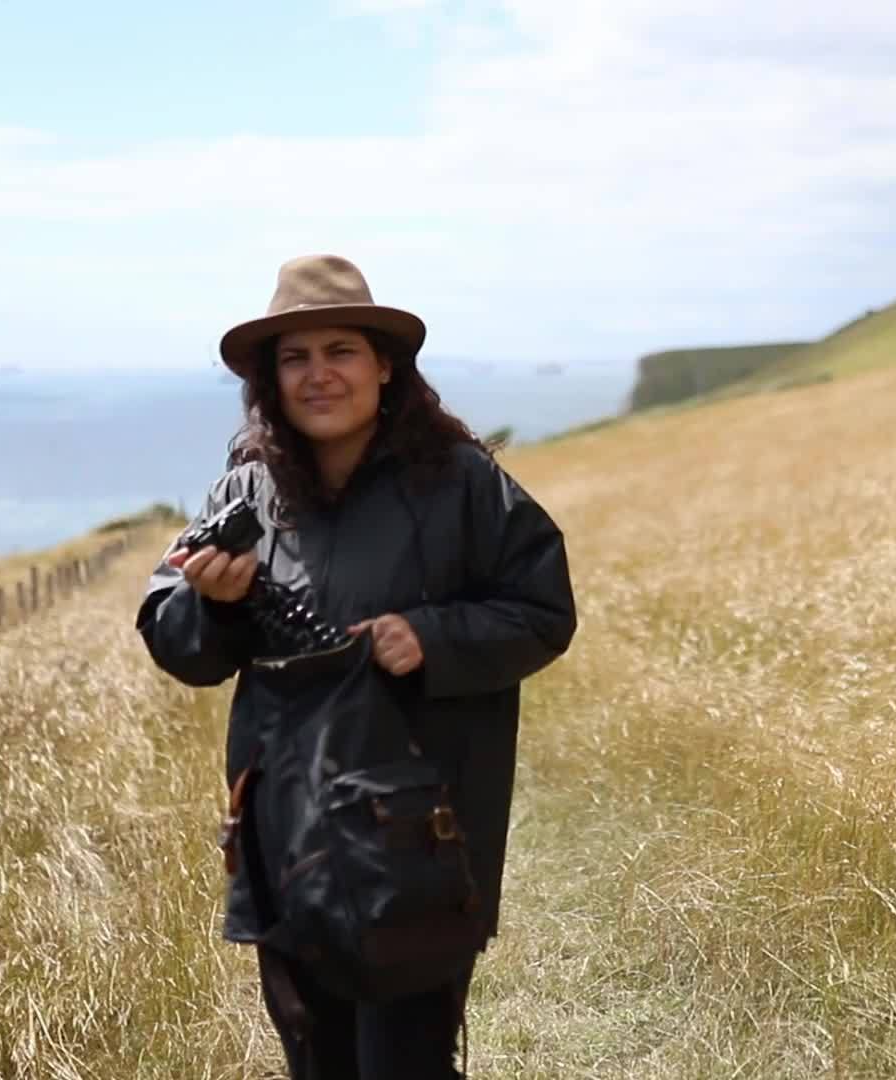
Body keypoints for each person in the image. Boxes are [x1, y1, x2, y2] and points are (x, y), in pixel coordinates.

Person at [135, 254, 577, 1078]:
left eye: (339, 351)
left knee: (405, 1063)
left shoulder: (463, 484)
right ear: (271, 380)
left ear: (383, 366)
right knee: (316, 1059)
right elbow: (177, 643)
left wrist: (431, 638)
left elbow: (544, 612)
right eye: (294, 358)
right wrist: (217, 606)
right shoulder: (245, 495)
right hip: (286, 838)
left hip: (422, 842)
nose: (318, 376)